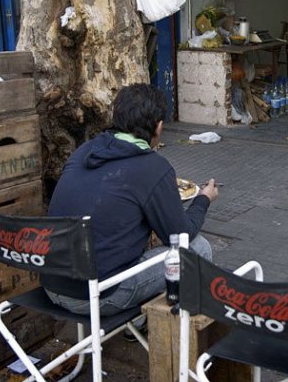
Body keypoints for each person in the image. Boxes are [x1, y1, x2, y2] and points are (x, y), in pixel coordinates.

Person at [41, 83, 218, 316]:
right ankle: (168, 329)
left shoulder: (85, 150)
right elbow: (180, 235)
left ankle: (137, 322)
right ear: (159, 127)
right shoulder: (154, 167)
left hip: (51, 282)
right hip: (96, 295)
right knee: (198, 249)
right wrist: (203, 199)